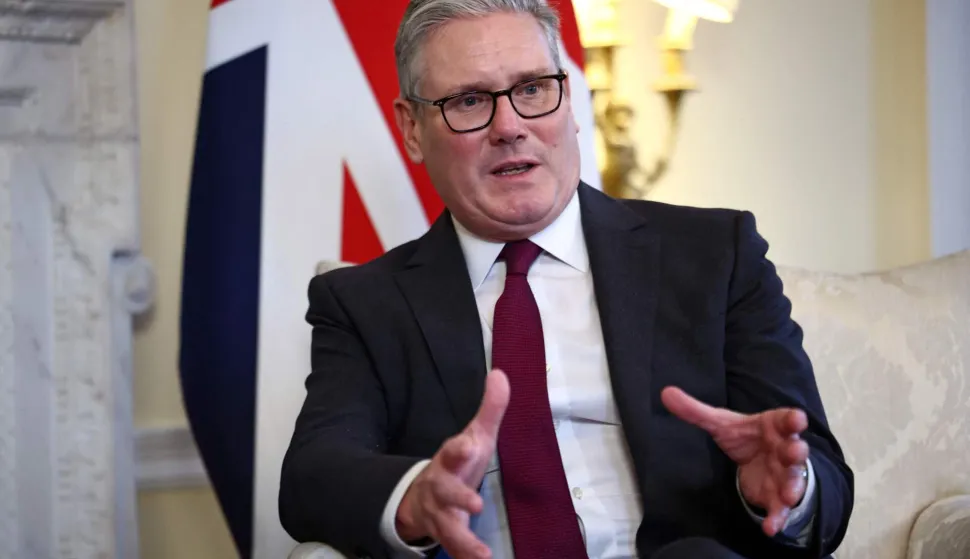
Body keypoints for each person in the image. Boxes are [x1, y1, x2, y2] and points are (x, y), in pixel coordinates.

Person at [278, 1, 854, 557]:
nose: (509, 126)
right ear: (411, 128)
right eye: (470, 100)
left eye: (532, 89)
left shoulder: (715, 256)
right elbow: (312, 478)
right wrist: (413, 496)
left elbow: (821, 479)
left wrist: (788, 490)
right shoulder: (364, 304)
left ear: (569, 98)